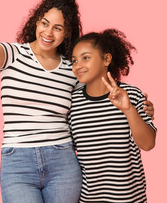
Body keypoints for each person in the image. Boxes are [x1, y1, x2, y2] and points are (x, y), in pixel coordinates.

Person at [0, 0, 155, 202]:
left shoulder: (72, 69)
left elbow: (98, 90)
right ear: (36, 21)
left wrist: (139, 107)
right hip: (18, 162)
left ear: (67, 33)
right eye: (45, 23)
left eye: (58, 27)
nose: (48, 32)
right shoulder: (11, 54)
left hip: (63, 161)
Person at [69, 28, 157, 203]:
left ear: (106, 59)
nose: (78, 65)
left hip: (128, 199)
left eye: (85, 57)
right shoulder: (73, 103)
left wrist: (128, 109)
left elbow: (148, 144)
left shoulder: (131, 95)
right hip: (88, 199)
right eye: (74, 60)